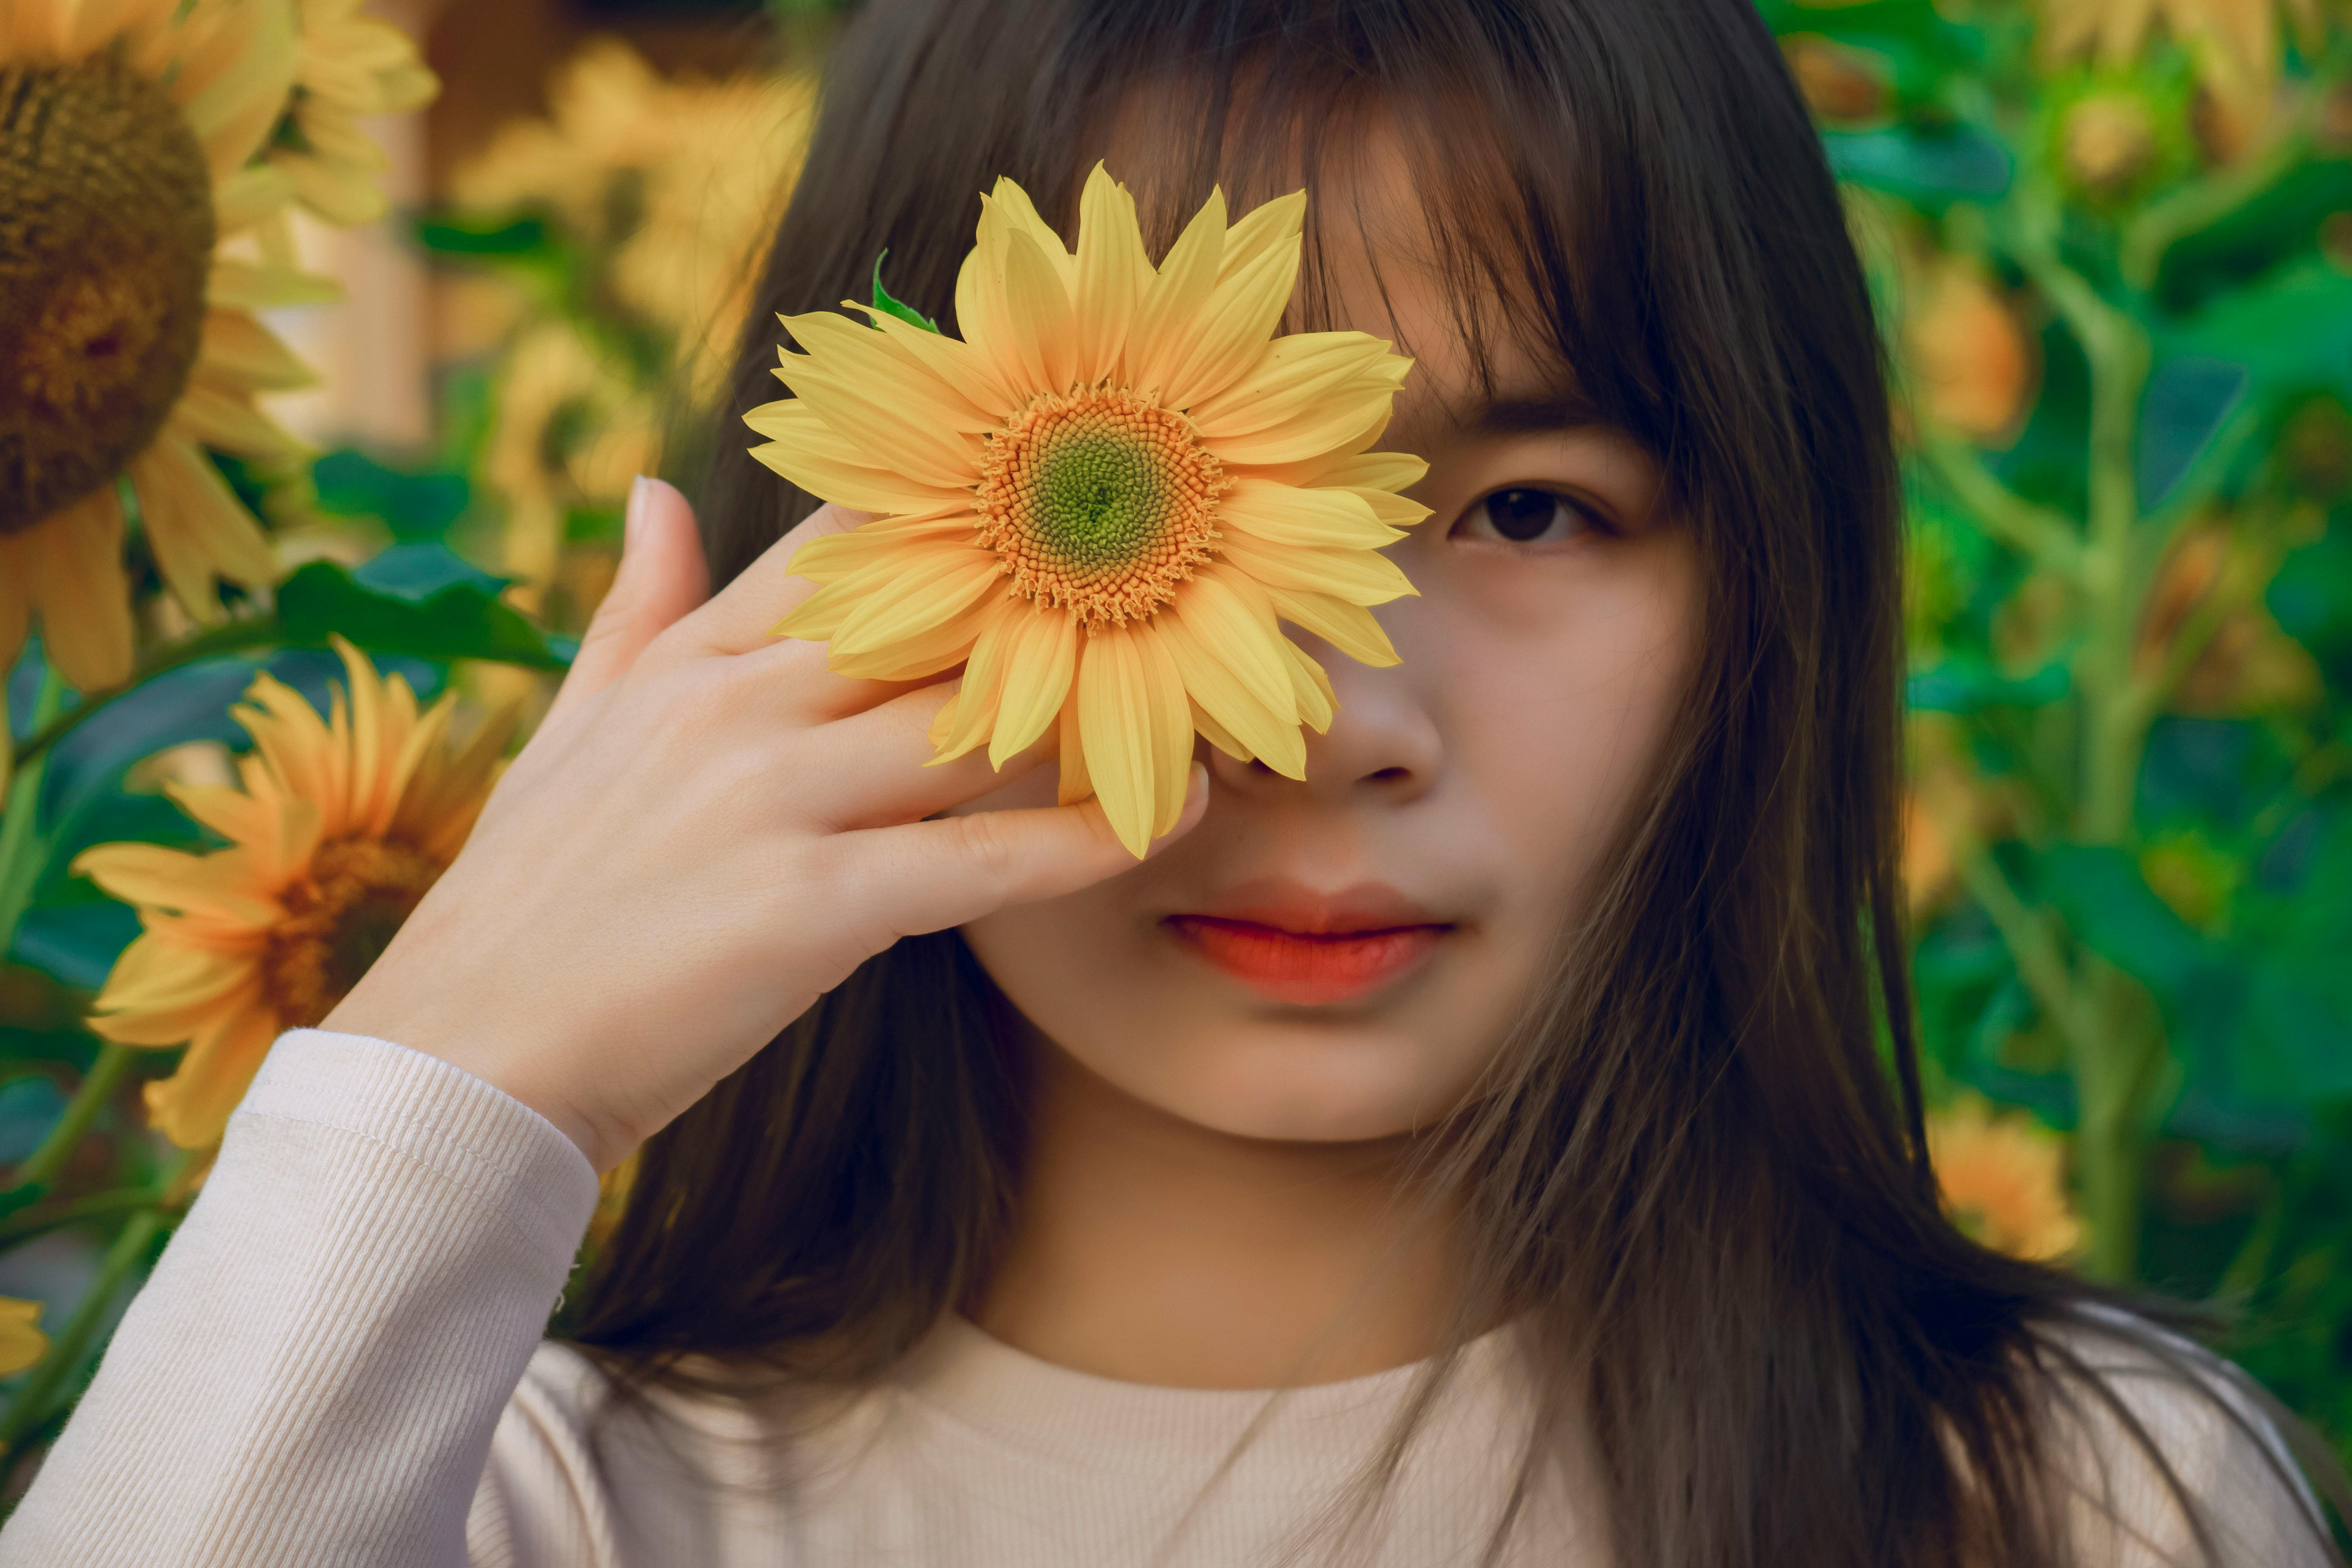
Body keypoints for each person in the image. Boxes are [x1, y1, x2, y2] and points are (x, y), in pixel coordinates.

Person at [5, 1, 2344, 1563]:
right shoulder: (496, 1501)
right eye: (1133, 490)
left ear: (1770, 600)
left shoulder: (2066, 1508)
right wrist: (454, 1067)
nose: (1327, 714)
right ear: (838, 547)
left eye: (1527, 511)